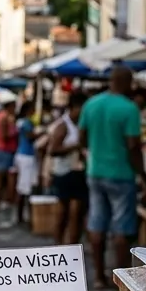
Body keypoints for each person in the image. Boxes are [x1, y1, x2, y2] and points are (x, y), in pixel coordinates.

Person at [80, 66, 145, 289]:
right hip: (121, 173)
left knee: (97, 223)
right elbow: (133, 146)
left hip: (95, 172)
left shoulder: (91, 104)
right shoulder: (129, 109)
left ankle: (98, 277)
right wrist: (142, 175)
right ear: (127, 82)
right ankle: (121, 282)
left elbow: (82, 138)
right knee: (121, 228)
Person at [48, 90, 89, 245]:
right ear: (74, 107)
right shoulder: (63, 126)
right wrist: (74, 147)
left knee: (77, 214)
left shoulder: (80, 124)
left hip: (77, 172)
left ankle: (73, 247)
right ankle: (59, 247)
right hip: (63, 173)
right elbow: (53, 150)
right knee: (63, 213)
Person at [11, 101, 38, 227]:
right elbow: (30, 136)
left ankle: (20, 215)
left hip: (22, 154)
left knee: (22, 186)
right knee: (24, 188)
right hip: (26, 156)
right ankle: (21, 216)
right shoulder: (27, 123)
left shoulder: (21, 122)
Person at [0, 101, 18, 213]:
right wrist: (15, 132)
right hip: (4, 151)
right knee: (1, 181)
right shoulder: (5, 118)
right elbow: (4, 135)